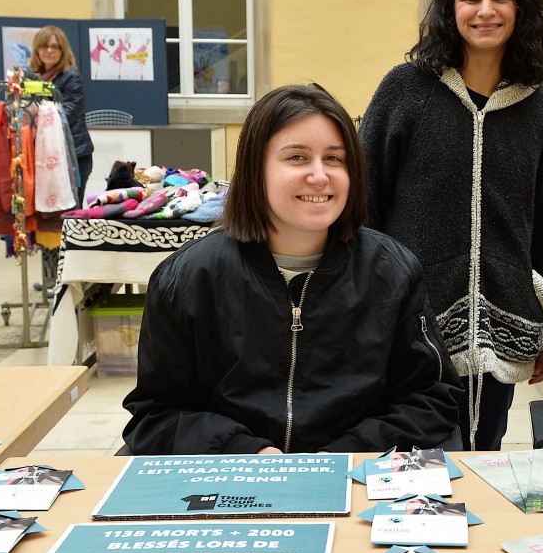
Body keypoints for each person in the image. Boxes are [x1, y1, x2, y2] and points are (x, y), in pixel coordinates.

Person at [122, 83, 462, 455]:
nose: (320, 175)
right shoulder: (187, 278)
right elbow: (156, 415)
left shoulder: (393, 272)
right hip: (236, 482)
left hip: (356, 481)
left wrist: (345, 454)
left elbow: (432, 399)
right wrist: (247, 451)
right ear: (256, 169)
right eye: (297, 157)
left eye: (334, 158)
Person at [360, 0, 543, 451]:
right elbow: (365, 206)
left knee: (486, 456)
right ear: (449, 8)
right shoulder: (404, 90)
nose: (486, 10)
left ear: (521, 8)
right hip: (410, 323)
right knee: (410, 467)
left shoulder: (541, 109)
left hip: (504, 320)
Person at [28, 26, 93, 204]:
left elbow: (68, 113)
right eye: (44, 46)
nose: (49, 50)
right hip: (42, 153)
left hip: (73, 155)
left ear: (63, 50)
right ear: (37, 49)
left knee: (70, 212)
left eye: (55, 46)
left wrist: (35, 112)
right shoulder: (31, 77)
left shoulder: (72, 77)